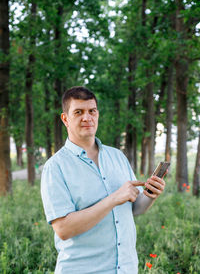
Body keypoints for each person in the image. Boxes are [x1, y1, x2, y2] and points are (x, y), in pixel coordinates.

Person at [41, 86, 166, 274]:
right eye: (78, 112)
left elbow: (135, 209)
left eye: (92, 111)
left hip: (125, 269)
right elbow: (63, 229)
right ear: (65, 119)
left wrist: (150, 194)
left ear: (97, 114)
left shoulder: (117, 156)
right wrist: (113, 198)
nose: (87, 117)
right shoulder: (55, 167)